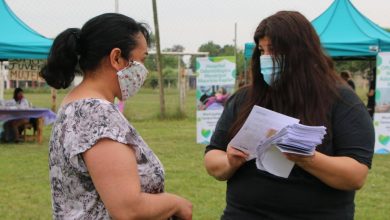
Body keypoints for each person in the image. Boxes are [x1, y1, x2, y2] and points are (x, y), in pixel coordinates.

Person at [204, 11, 374, 220]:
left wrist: (307, 158)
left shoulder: (343, 101)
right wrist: (230, 162)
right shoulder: (244, 99)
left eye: (274, 50)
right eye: (262, 50)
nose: (266, 58)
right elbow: (212, 157)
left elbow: (356, 175)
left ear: (302, 52)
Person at [40, 13, 192, 219]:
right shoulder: (95, 114)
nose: (143, 71)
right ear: (116, 58)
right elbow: (128, 209)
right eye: (141, 60)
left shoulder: (76, 105)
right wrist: (177, 204)